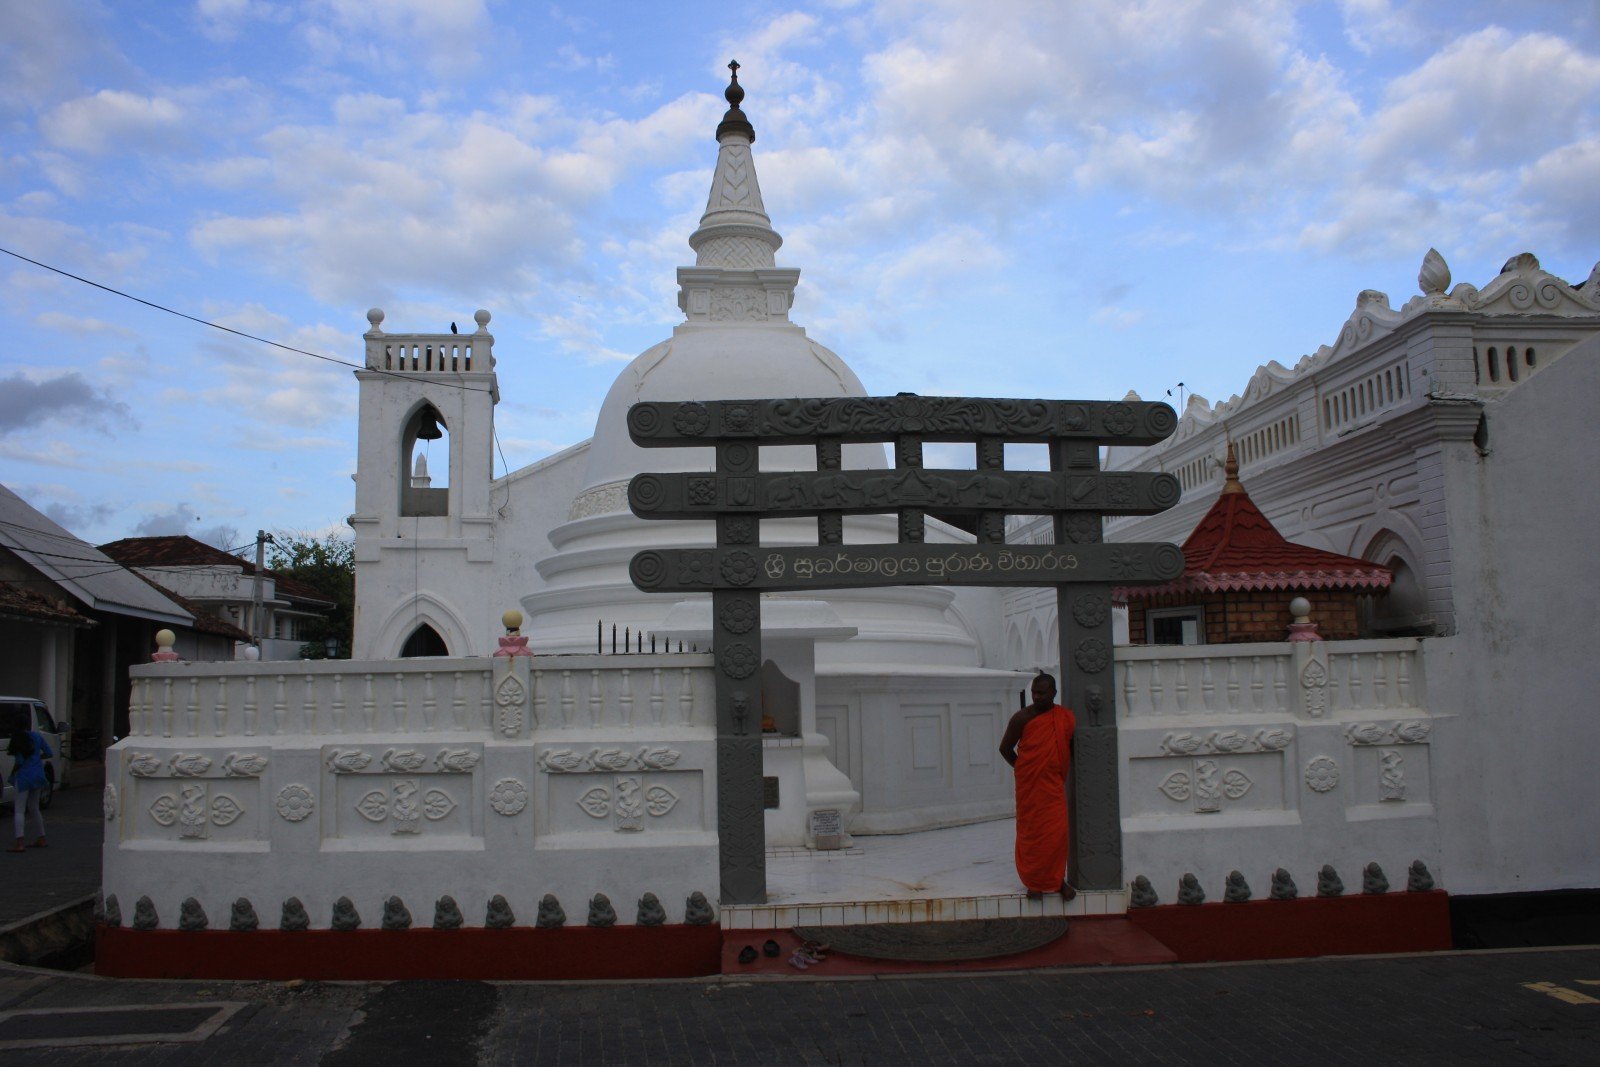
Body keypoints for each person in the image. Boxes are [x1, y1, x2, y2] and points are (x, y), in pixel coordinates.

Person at [999, 672, 1075, 901]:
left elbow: (1068, 748)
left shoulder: (1064, 718)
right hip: (1030, 786)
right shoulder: (1021, 718)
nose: (1036, 697)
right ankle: (1034, 883)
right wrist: (1023, 769)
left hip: (1053, 786)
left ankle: (1057, 880)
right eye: (1034, 692)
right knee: (1032, 833)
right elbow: (1005, 748)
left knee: (1057, 834)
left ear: (1053, 693)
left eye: (1042, 693)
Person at [8, 725, 50, 852]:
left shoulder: (18, 739)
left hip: (24, 777)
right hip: (38, 775)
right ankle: (42, 838)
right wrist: (37, 758)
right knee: (34, 807)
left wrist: (12, 775)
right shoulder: (37, 736)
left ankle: (19, 842)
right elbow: (49, 753)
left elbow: (19, 762)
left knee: (19, 810)